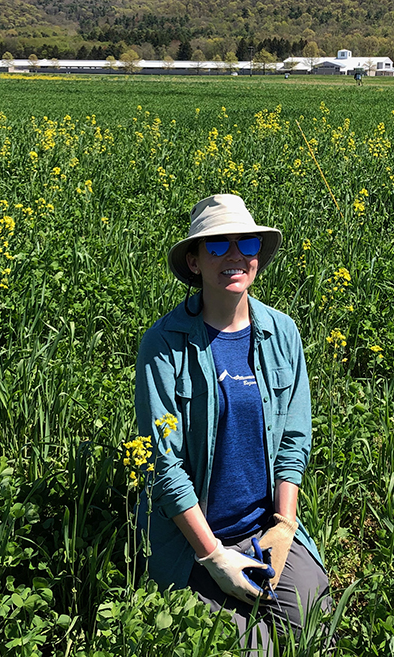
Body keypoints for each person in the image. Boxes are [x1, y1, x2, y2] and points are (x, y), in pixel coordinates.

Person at [135, 194, 332, 653]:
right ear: (194, 261)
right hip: (196, 542)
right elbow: (166, 467)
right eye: (217, 246)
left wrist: (283, 527)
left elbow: (294, 441)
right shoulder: (163, 347)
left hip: (265, 526)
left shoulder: (283, 333)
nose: (235, 255)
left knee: (315, 630)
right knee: (250, 647)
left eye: (245, 242)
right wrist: (214, 557)